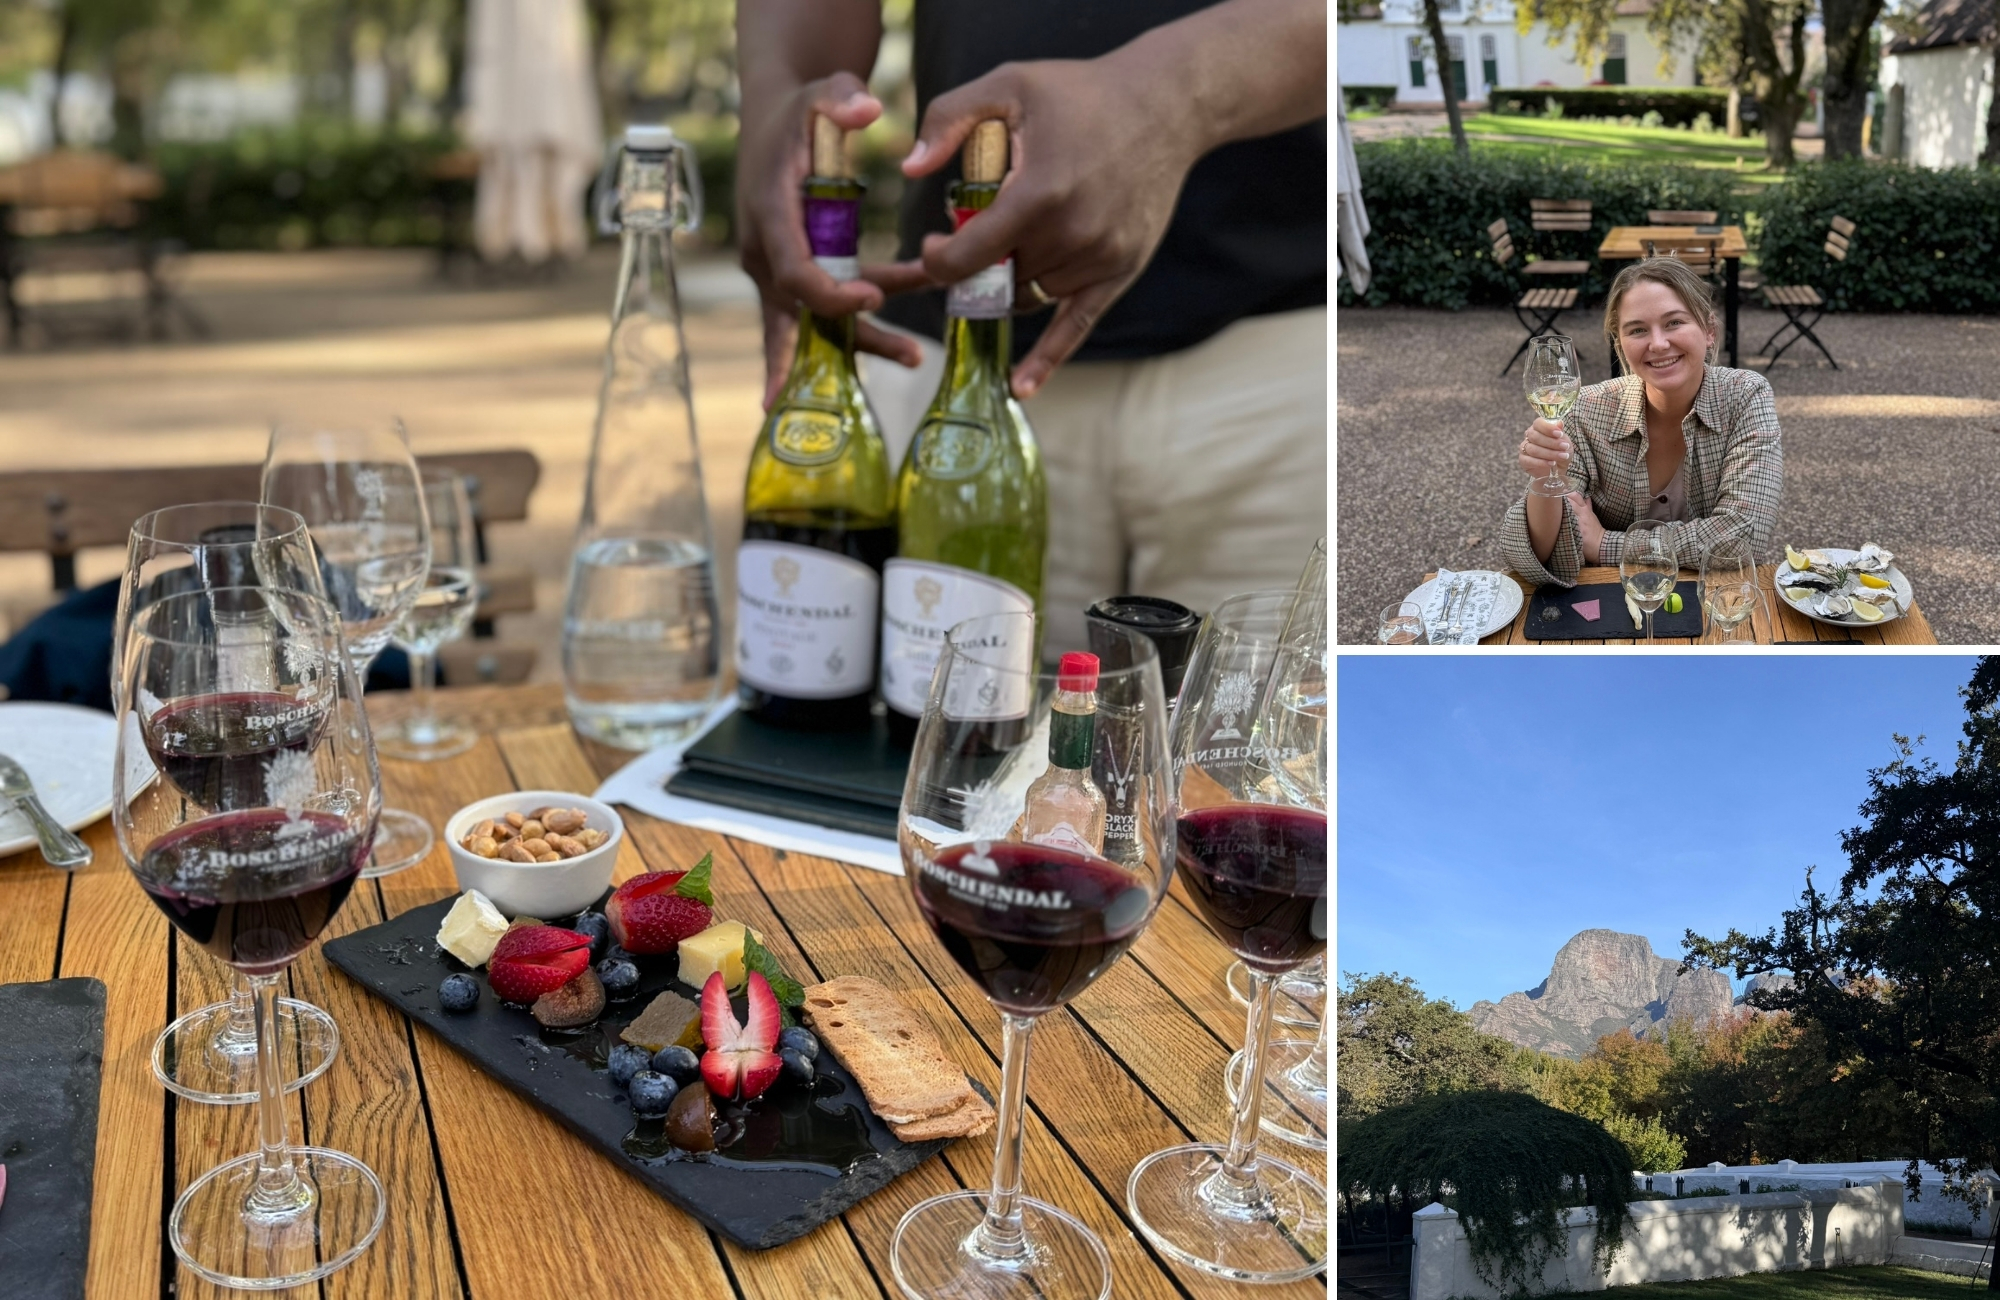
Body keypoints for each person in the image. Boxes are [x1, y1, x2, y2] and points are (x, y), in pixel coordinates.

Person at [735, 0, 1327, 648]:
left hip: (1280, 367)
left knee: (1243, 745)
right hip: (953, 362)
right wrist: (775, 93)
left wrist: (1179, 90)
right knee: (940, 736)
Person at [1502, 257, 1782, 588]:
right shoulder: (1585, 410)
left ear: (1709, 331)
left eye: (1675, 323)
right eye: (1637, 330)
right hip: (1614, 610)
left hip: (1718, 601)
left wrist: (1607, 544)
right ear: (1620, 342)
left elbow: (1742, 535)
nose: (1658, 343)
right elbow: (1544, 554)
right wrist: (1547, 479)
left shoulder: (1746, 395)